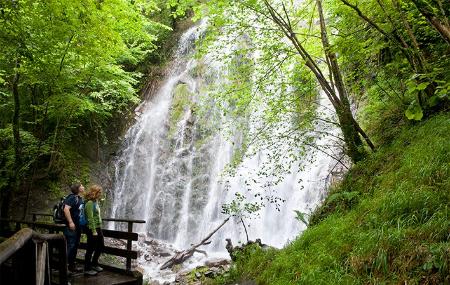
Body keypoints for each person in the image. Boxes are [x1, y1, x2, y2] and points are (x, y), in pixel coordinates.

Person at [63, 183, 85, 273]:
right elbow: (66, 209)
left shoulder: (79, 198)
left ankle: (72, 266)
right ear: (78, 188)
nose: (83, 187)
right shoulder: (72, 197)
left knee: (75, 246)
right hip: (71, 226)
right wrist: (70, 222)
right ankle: (65, 268)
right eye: (81, 186)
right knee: (70, 246)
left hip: (77, 226)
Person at [84, 184, 105, 276]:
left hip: (98, 227)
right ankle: (87, 268)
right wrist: (93, 230)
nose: (100, 194)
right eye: (99, 192)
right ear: (94, 192)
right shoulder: (89, 203)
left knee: (101, 245)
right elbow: (90, 218)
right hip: (92, 228)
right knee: (90, 248)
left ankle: (94, 263)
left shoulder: (96, 202)